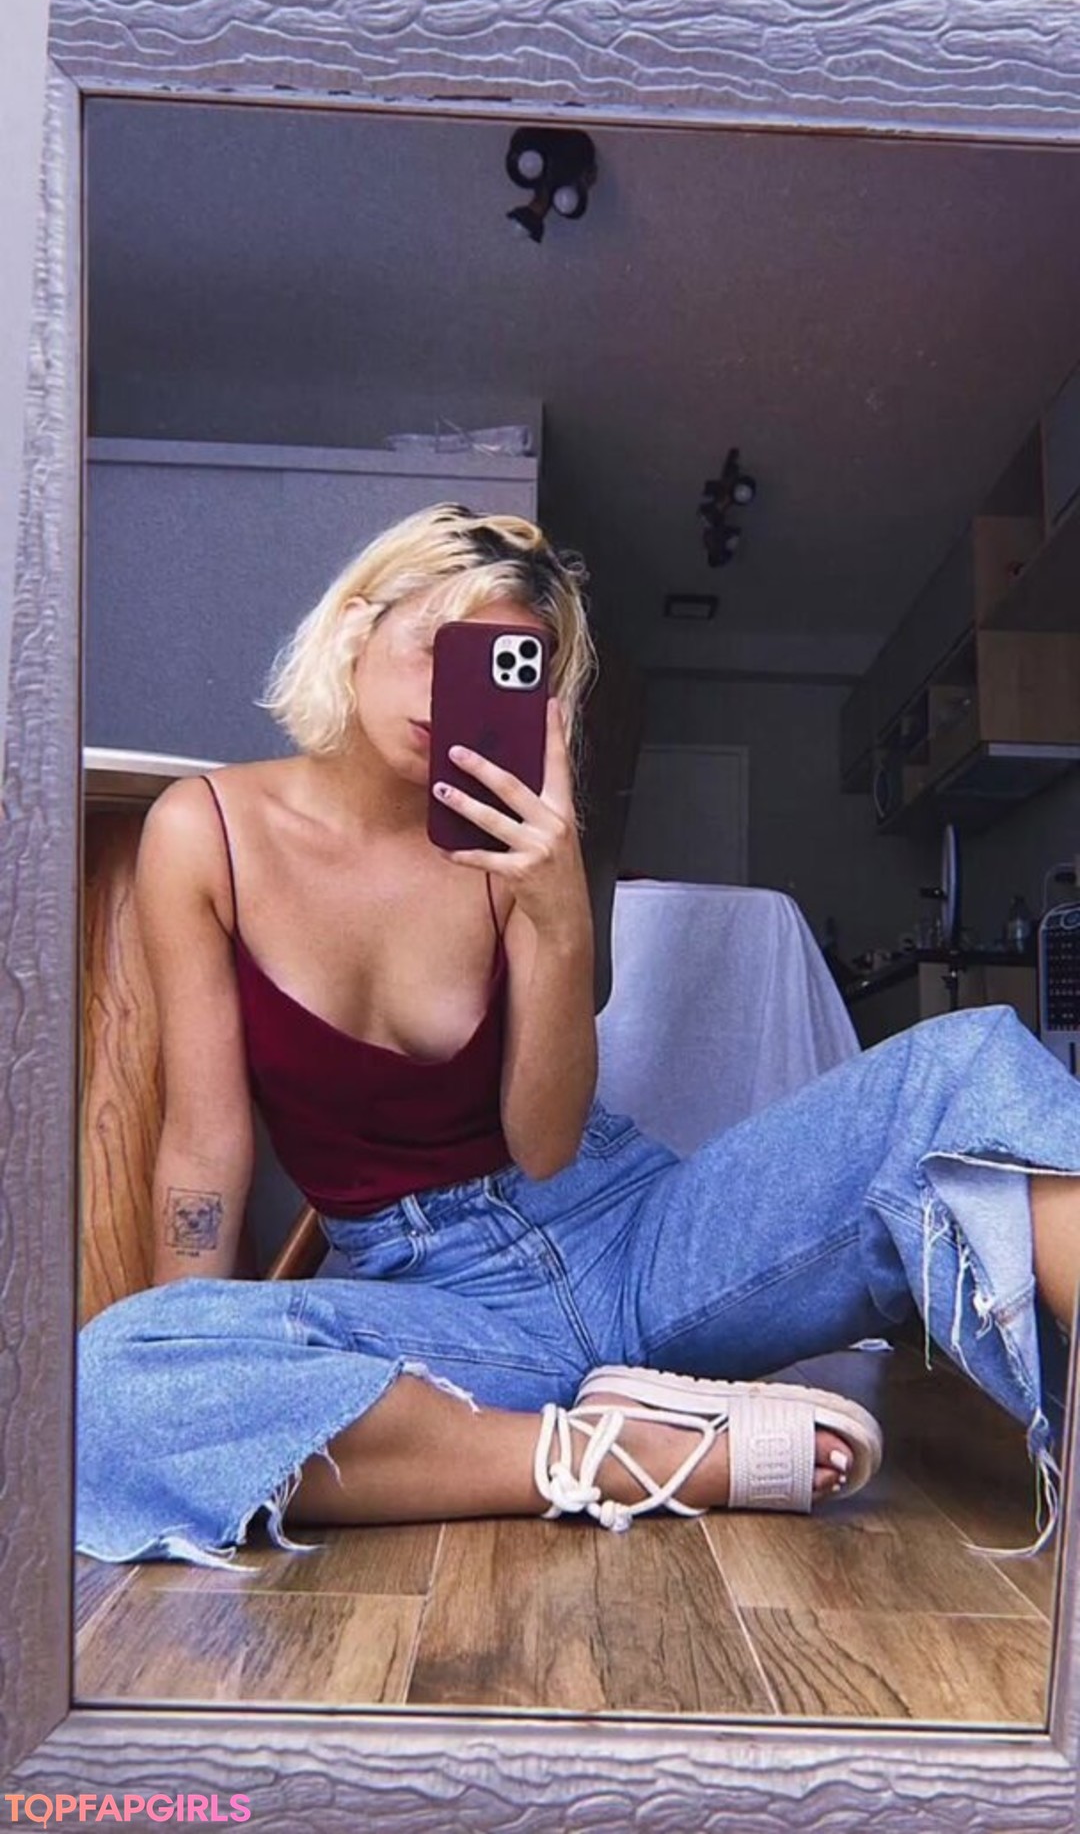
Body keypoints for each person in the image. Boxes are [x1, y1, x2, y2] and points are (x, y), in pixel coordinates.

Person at [77, 503, 1080, 1569]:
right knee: (114, 1376)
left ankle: (618, 1415)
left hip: (637, 1236)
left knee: (967, 1064)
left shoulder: (517, 845)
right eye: (437, 648)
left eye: (506, 672)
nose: (450, 696)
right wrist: (193, 1352)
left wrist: (556, 909)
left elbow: (546, 1142)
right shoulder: (205, 834)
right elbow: (203, 1150)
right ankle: (607, 1454)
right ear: (357, 624)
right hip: (447, 1308)